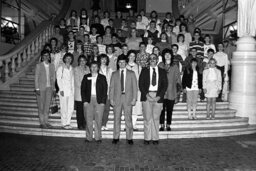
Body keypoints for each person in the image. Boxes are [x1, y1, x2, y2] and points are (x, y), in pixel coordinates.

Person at [139, 53, 168, 145]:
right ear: (148, 60)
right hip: (147, 95)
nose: (152, 60)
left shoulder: (162, 71)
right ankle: (147, 138)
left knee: (156, 118)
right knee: (147, 118)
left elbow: (165, 85)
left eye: (154, 58)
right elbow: (141, 84)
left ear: (157, 60)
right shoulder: (144, 70)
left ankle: (155, 138)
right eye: (150, 58)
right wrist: (147, 95)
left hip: (158, 96)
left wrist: (159, 96)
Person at [109, 55, 138, 145]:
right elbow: (111, 88)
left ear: (126, 63)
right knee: (116, 118)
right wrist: (111, 99)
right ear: (118, 63)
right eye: (120, 62)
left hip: (128, 98)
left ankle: (129, 137)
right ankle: (116, 137)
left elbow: (135, 87)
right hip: (117, 98)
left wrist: (134, 99)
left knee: (128, 118)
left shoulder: (131, 73)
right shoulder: (114, 74)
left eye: (123, 62)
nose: (122, 64)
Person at [81, 61, 108, 143]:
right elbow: (83, 90)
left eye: (95, 66)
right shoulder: (86, 77)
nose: (93, 68)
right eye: (92, 66)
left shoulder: (102, 77)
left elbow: (105, 90)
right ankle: (88, 137)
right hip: (88, 100)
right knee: (88, 119)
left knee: (98, 119)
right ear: (90, 68)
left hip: (99, 100)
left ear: (98, 68)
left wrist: (103, 102)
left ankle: (98, 137)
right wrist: (85, 101)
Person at [158, 49, 181, 131]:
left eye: (169, 54)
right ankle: (161, 125)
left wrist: (178, 92)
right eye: (165, 54)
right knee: (161, 109)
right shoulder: (160, 65)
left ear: (171, 55)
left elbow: (178, 79)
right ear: (163, 56)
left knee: (170, 110)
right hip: (162, 91)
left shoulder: (174, 66)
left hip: (171, 91)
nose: (167, 55)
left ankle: (168, 125)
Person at [35, 50, 56, 128]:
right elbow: (36, 78)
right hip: (41, 88)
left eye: (47, 55)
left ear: (49, 57)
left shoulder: (52, 66)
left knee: (47, 106)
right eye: (44, 55)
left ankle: (46, 122)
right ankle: (42, 122)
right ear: (42, 57)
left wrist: (54, 89)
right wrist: (37, 88)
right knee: (41, 106)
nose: (46, 57)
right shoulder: (39, 65)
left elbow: (54, 78)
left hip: (49, 88)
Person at [56, 53, 75, 129]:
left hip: (71, 91)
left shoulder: (72, 68)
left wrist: (73, 90)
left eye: (70, 58)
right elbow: (58, 79)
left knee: (70, 107)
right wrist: (61, 89)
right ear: (64, 59)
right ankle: (63, 123)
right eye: (67, 58)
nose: (68, 60)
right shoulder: (61, 68)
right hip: (63, 90)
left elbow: (72, 80)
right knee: (64, 107)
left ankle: (68, 123)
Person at [126, 50, 142, 131]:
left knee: (135, 108)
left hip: (136, 89)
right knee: (127, 108)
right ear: (128, 56)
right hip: (126, 90)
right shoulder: (124, 65)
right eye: (130, 56)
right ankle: (128, 125)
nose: (132, 57)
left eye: (133, 56)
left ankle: (134, 124)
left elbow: (140, 78)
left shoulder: (138, 67)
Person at [74, 55, 90, 130]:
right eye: (81, 60)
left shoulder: (88, 69)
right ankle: (80, 124)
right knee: (80, 110)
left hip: (87, 93)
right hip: (79, 92)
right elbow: (77, 81)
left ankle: (84, 123)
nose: (82, 62)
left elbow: (90, 79)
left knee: (86, 110)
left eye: (84, 60)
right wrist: (85, 87)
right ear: (79, 61)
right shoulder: (76, 69)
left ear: (86, 61)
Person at [99, 54, 113, 131]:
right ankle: (99, 123)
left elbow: (112, 81)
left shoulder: (110, 69)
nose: (104, 61)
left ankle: (104, 124)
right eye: (102, 59)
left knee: (106, 109)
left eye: (105, 59)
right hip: (99, 92)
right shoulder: (97, 69)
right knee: (100, 109)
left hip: (107, 92)